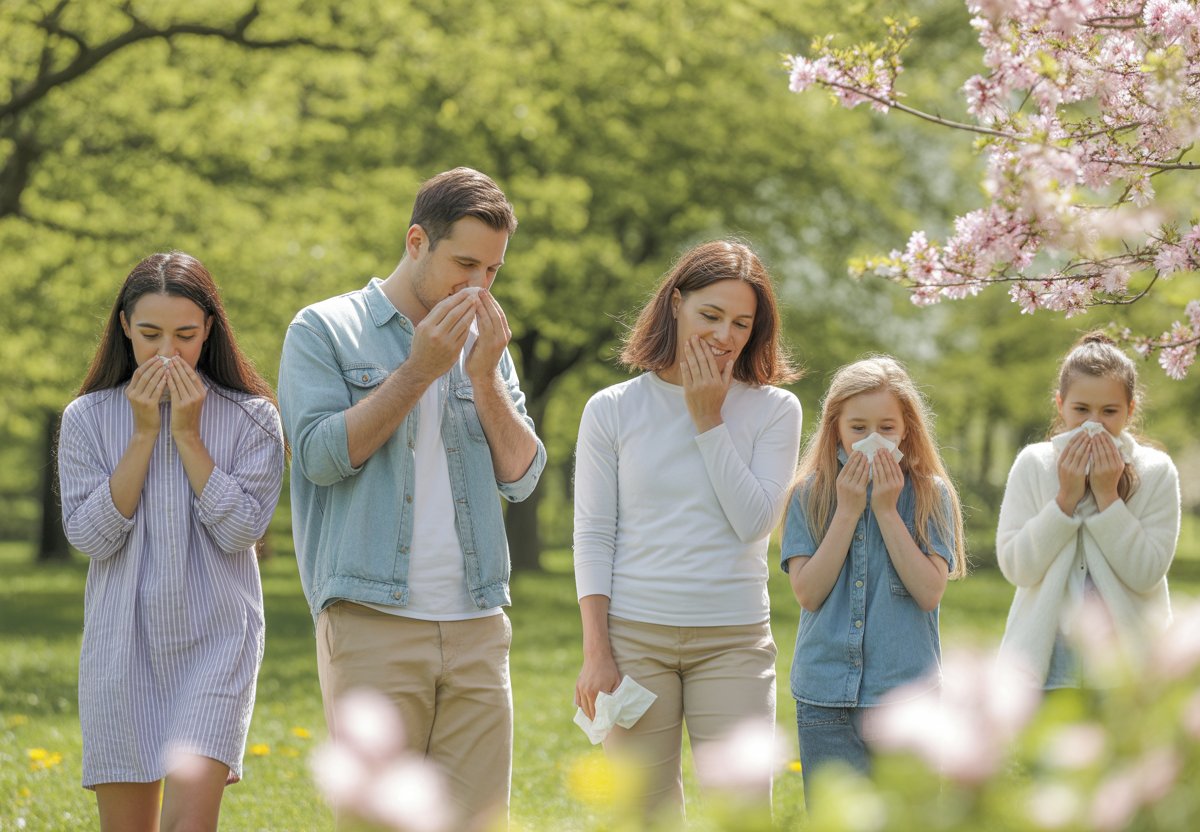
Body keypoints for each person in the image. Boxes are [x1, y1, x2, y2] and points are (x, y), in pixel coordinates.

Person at [278, 167, 545, 824]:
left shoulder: (490, 346)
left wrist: (483, 377)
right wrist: (420, 370)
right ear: (417, 241)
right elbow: (318, 458)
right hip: (371, 617)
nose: (479, 286)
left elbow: (523, 475)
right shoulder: (325, 329)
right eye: (465, 264)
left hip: (478, 620)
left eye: (493, 271)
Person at [573, 239, 803, 815]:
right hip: (633, 641)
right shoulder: (612, 408)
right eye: (711, 315)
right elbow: (595, 533)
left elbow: (754, 523)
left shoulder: (776, 410)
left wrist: (708, 419)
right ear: (676, 303)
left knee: (742, 815)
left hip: (733, 642)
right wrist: (596, 650)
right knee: (641, 818)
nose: (725, 335)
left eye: (741, 324)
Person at [57, 251, 285, 832]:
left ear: (209, 329)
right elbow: (90, 537)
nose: (167, 353)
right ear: (125, 328)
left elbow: (241, 531)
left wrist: (186, 433)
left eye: (185, 335)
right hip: (121, 642)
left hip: (217, 640)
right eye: (151, 334)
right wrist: (142, 435)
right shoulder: (86, 417)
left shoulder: (253, 417)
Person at [780, 356, 965, 792]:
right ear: (836, 430)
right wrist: (847, 511)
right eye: (858, 428)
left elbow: (928, 592)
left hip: (906, 697)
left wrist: (885, 510)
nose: (872, 440)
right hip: (826, 697)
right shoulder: (810, 495)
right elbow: (807, 593)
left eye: (886, 428)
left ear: (906, 430)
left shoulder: (929, 494)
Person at [996, 332, 1180, 688]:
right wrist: (1065, 499)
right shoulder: (1034, 464)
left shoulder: (1157, 471)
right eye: (1081, 409)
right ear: (1061, 404)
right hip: (1044, 667)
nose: (1093, 422)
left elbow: (1146, 573)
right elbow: (1018, 568)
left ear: (1130, 410)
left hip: (1129, 669)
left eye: (1108, 411)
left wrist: (1107, 497)